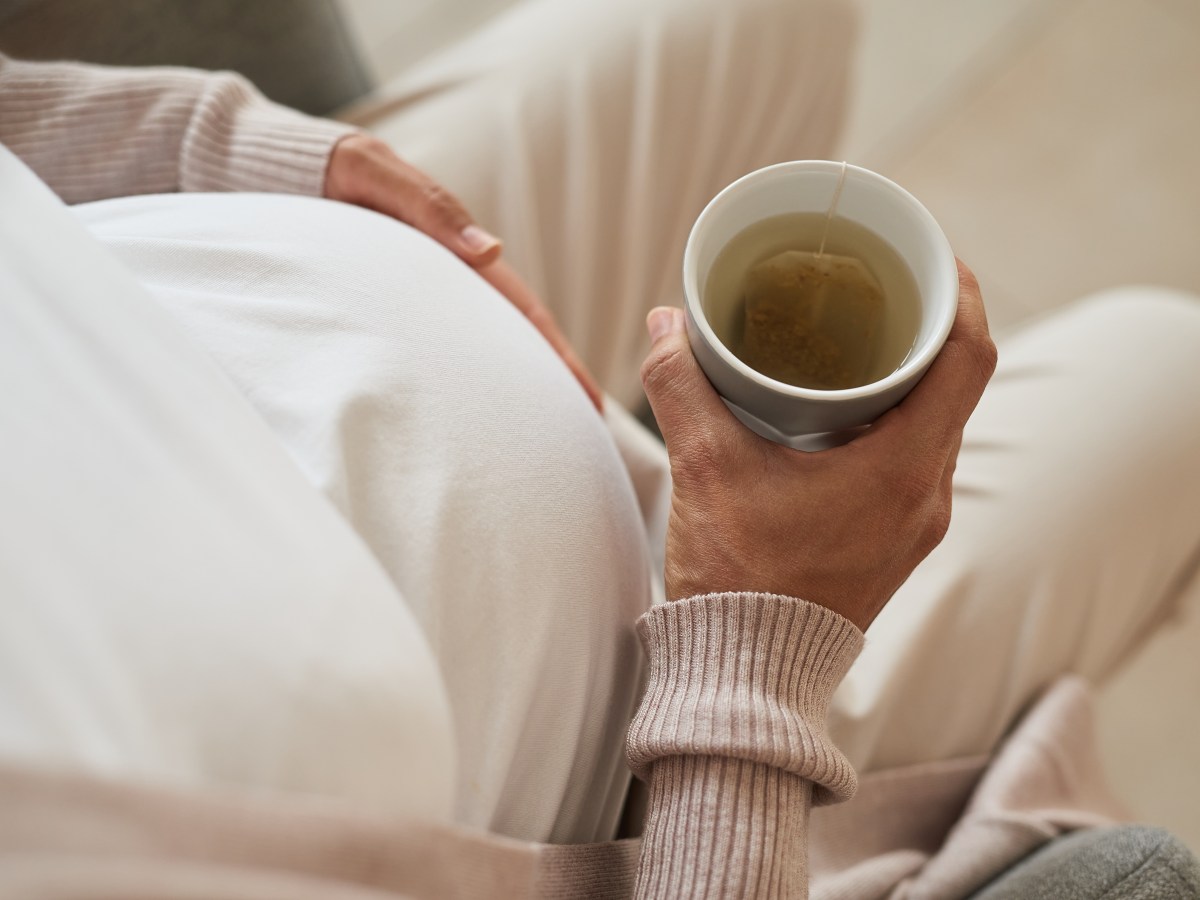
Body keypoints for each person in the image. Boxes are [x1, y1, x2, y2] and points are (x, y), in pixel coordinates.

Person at [2, 3, 1200, 895]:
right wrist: (759, 645)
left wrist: (214, 149)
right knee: (1168, 380)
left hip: (248, 250)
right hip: (653, 755)